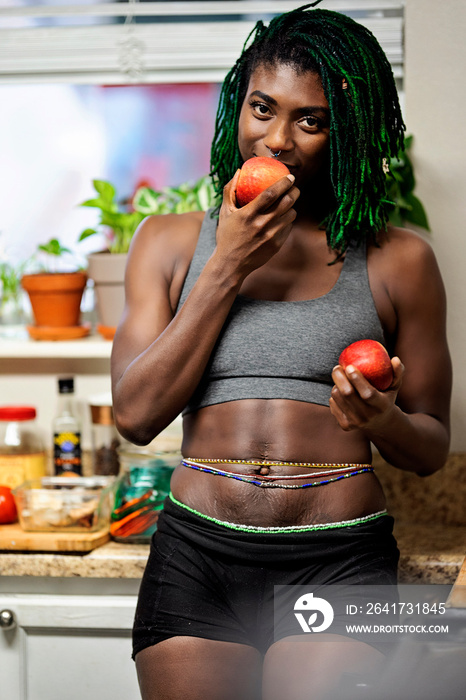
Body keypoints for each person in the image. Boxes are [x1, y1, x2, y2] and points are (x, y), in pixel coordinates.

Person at [111, 3, 452, 699]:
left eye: (311, 119)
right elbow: (136, 416)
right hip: (197, 553)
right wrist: (226, 266)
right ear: (240, 104)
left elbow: (430, 449)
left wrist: (380, 420)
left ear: (346, 133)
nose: (277, 140)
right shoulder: (169, 244)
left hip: (338, 557)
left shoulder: (399, 260)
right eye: (262, 108)